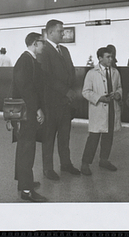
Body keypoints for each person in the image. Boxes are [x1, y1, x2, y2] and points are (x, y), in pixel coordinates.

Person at [40, 19, 80, 181]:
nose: (63, 33)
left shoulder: (64, 50)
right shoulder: (43, 50)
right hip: (51, 103)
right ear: (49, 33)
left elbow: (70, 71)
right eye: (60, 31)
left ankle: (66, 164)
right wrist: (66, 91)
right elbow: (46, 77)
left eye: (63, 31)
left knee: (65, 136)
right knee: (49, 137)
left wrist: (71, 90)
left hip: (65, 103)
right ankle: (47, 169)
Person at [12, 32, 47, 202]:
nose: (44, 46)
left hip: (26, 112)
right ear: (34, 43)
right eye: (42, 43)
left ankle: (24, 183)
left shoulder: (29, 60)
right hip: (27, 113)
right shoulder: (26, 60)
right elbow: (26, 89)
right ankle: (27, 190)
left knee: (24, 148)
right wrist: (37, 109)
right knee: (27, 150)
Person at [81, 47, 122, 175]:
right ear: (100, 58)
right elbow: (85, 92)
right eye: (107, 57)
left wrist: (118, 95)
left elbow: (120, 87)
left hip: (112, 109)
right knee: (93, 137)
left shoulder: (115, 72)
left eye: (111, 56)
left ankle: (104, 160)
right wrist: (99, 98)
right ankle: (85, 163)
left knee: (108, 136)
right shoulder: (92, 73)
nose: (111, 59)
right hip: (98, 109)